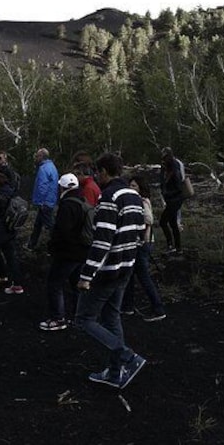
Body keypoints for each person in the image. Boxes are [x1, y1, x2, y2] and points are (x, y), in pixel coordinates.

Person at [75, 153, 146, 389]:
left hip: (108, 270)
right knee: (111, 317)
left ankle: (128, 357)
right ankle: (116, 373)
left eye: (98, 172)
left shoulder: (109, 196)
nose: (97, 176)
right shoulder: (134, 195)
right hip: (126, 267)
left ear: (104, 171)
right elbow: (138, 231)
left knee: (84, 318)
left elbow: (103, 240)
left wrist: (86, 275)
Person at [39, 173, 91, 331]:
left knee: (54, 283)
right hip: (83, 251)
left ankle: (58, 318)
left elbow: (62, 231)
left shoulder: (67, 205)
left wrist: (53, 247)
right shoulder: (83, 201)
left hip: (68, 253)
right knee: (76, 285)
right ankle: (79, 317)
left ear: (61, 187)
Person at [122, 175, 166, 321]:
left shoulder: (142, 201)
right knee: (129, 275)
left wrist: (140, 233)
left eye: (134, 186)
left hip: (142, 243)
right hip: (138, 243)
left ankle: (158, 308)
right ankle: (127, 306)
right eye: (130, 185)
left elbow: (149, 219)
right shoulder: (135, 200)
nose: (131, 188)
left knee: (143, 276)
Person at [27, 147, 58, 250]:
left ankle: (56, 246)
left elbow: (42, 187)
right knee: (38, 225)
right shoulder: (52, 166)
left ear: (41, 156)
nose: (36, 157)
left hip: (44, 203)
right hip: (50, 201)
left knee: (50, 226)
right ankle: (31, 244)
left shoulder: (43, 168)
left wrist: (39, 202)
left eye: (37, 155)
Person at [160, 148, 186, 255]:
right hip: (172, 200)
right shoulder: (167, 168)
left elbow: (178, 187)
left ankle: (171, 245)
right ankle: (177, 247)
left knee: (163, 222)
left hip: (174, 200)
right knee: (173, 223)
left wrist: (167, 194)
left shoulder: (174, 169)